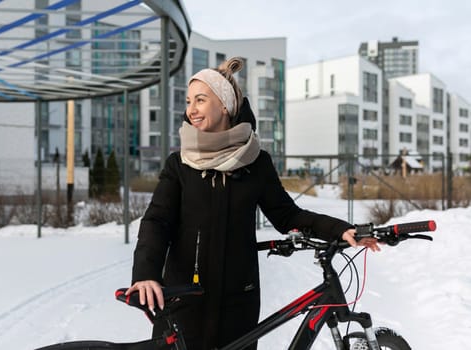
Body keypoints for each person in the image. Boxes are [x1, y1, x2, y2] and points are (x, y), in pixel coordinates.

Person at [127, 57, 380, 350]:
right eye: (188, 101)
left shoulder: (256, 162)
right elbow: (157, 221)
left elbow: (287, 214)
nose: (191, 110)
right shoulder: (180, 164)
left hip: (238, 299)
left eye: (200, 100)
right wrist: (145, 275)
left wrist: (340, 230)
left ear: (224, 105)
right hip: (183, 299)